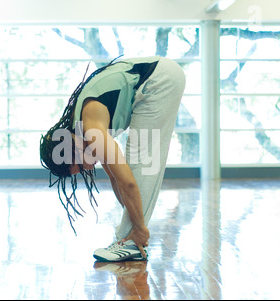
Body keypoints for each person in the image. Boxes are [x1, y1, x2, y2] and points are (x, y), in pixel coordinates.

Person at [40, 55, 186, 262]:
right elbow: (116, 180)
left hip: (158, 80)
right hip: (160, 76)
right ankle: (130, 238)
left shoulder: (90, 130)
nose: (88, 168)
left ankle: (130, 242)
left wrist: (139, 226)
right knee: (136, 165)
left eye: (81, 166)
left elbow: (128, 182)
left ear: (71, 147)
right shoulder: (82, 131)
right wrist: (133, 215)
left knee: (142, 163)